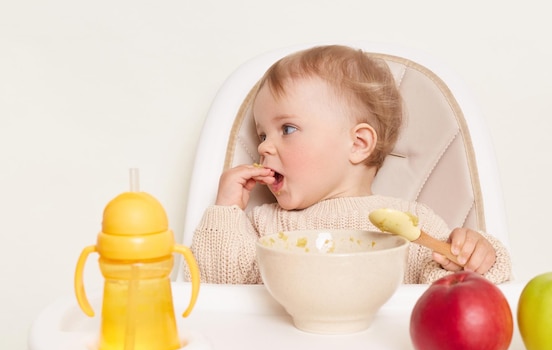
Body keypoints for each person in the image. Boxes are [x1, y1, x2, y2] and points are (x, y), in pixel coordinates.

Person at [190, 45, 512, 285]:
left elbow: (456, 289)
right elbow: (218, 285)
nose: (262, 146)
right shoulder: (263, 226)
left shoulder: (410, 225)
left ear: (358, 144)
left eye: (287, 129)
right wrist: (227, 210)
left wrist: (476, 256)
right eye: (262, 134)